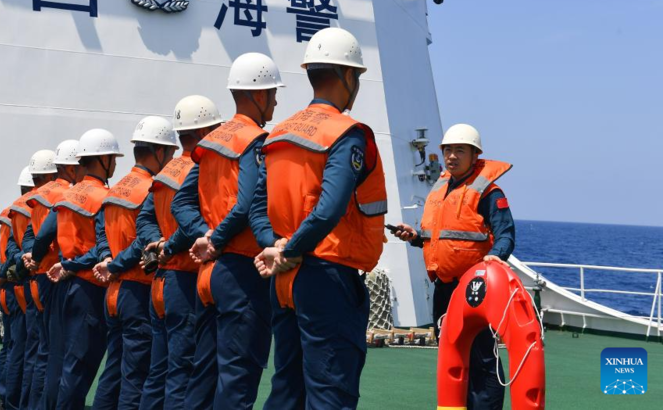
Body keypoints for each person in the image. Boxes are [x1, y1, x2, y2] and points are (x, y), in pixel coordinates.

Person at [251, 28, 388, 410]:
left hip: (284, 280)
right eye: (357, 77)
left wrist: (275, 247)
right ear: (347, 76)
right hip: (326, 278)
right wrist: (290, 249)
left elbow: (256, 205)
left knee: (288, 388)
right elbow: (329, 208)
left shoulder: (279, 134)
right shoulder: (346, 134)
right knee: (331, 391)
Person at [174, 53, 284, 410]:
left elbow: (181, 204)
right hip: (240, 271)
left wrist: (205, 236)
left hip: (209, 276)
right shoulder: (255, 141)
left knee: (203, 376)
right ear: (260, 95)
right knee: (238, 378)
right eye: (273, 93)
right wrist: (217, 240)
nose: (276, 101)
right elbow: (249, 203)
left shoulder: (210, 144)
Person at [389, 123, 515, 410]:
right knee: (451, 355)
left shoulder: (489, 192)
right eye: (448, 150)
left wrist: (496, 256)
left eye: (460, 150)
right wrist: (415, 236)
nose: (452, 156)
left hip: (475, 291)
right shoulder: (442, 188)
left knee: (482, 359)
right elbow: (440, 236)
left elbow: (505, 233)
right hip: (444, 288)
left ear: (475, 155)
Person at [137, 96, 222, 410]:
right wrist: (170, 246)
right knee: (183, 372)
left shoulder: (166, 173)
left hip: (162, 281)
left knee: (158, 370)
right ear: (204, 131)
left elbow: (144, 219)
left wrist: (158, 243)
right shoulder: (201, 169)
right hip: (186, 279)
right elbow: (192, 221)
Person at [88, 116, 178, 410]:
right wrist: (116, 264)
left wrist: (106, 259)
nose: (172, 158)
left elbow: (100, 232)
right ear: (159, 152)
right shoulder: (149, 189)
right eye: (170, 152)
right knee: (136, 375)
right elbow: (143, 241)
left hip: (114, 293)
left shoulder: (115, 190)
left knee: (114, 367)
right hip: (138, 289)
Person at [47, 128, 123, 410]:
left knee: (64, 361)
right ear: (103, 159)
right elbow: (101, 245)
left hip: (68, 287)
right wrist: (72, 264)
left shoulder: (69, 194)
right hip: (91, 286)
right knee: (80, 367)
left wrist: (67, 264)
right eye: (113, 158)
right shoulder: (103, 196)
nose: (115, 164)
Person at [21, 140, 82, 410]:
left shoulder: (38, 195)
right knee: (57, 352)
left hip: (37, 276)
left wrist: (30, 257)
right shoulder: (67, 193)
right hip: (55, 276)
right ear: (71, 167)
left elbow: (29, 236)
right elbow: (48, 233)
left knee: (43, 351)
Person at [0, 166, 34, 410]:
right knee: (22, 348)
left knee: (10, 346)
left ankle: (5, 396)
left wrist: (2, 274)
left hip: (7, 288)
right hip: (19, 287)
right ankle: (15, 401)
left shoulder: (11, 211)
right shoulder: (31, 211)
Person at [15, 149, 57, 409]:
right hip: (52, 278)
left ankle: (14, 401)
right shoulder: (58, 197)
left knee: (29, 350)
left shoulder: (21, 207)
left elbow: (18, 245)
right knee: (48, 352)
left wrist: (25, 259)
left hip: (28, 280)